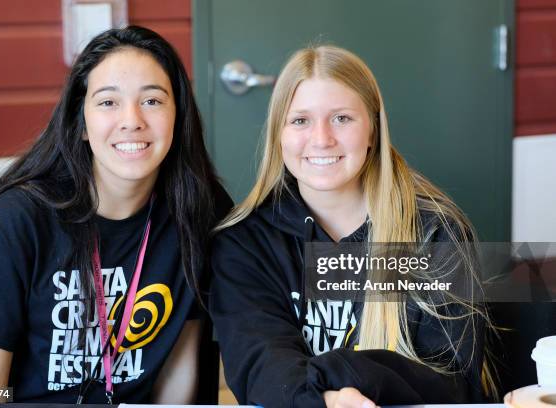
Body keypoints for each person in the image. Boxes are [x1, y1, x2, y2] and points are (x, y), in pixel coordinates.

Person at [0, 26, 231, 403]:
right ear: (81, 123)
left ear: (178, 118)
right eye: (108, 102)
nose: (132, 120)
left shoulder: (198, 213)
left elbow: (179, 370)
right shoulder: (15, 222)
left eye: (153, 101)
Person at [209, 45, 493, 408]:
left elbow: (452, 383)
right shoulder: (245, 243)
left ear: (373, 131)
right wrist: (323, 398)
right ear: (278, 136)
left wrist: (340, 375)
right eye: (300, 121)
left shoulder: (436, 233)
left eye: (342, 118)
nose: (322, 138)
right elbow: (262, 366)